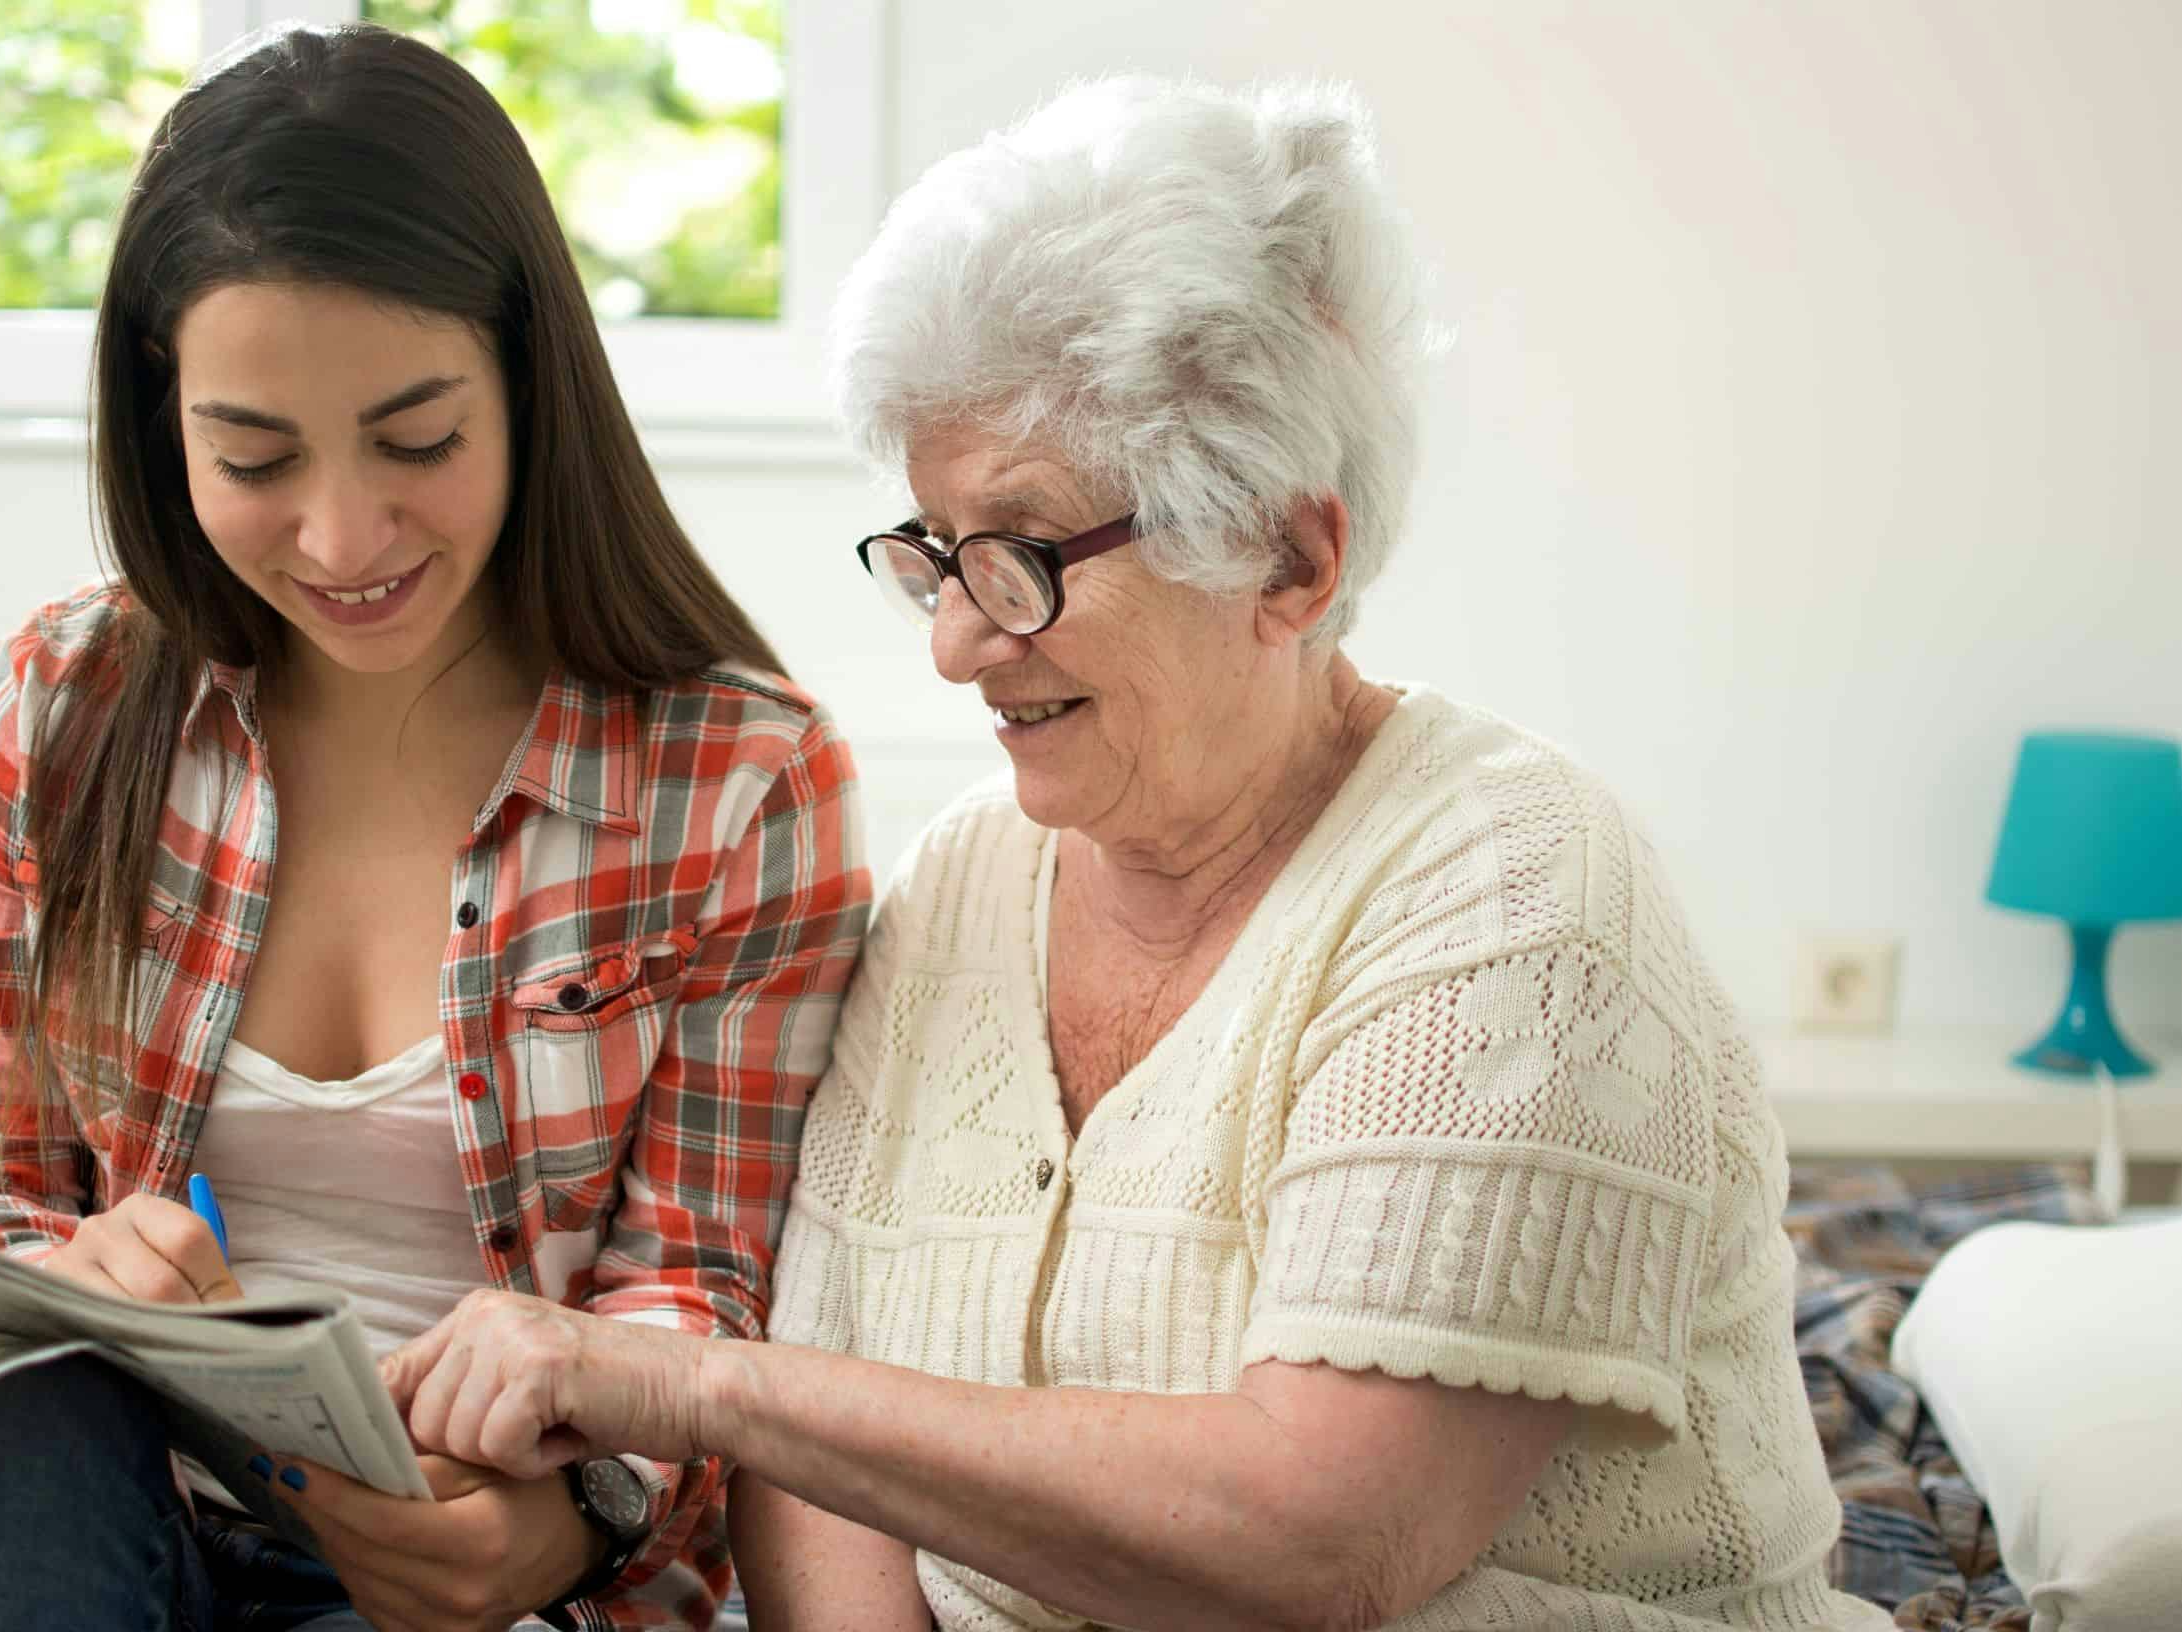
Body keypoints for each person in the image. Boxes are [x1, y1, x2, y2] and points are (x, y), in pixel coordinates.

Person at [378, 76, 1893, 1631]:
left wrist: (700, 1385)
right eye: (931, 552)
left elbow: (1315, 1547)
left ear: (1288, 560)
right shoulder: (964, 882)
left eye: (1020, 556)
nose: (959, 643)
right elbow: (823, 1473)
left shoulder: (1519, 893)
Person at [0, 23, 867, 1632]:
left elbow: (706, 1286)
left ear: (531, 379)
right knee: (2, 1423)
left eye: (416, 440)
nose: (340, 534)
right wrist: (62, 1274)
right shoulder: (37, 720)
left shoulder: (737, 781)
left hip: (463, 1548)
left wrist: (572, 1521)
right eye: (254, 457)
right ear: (167, 425)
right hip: (87, 1499)